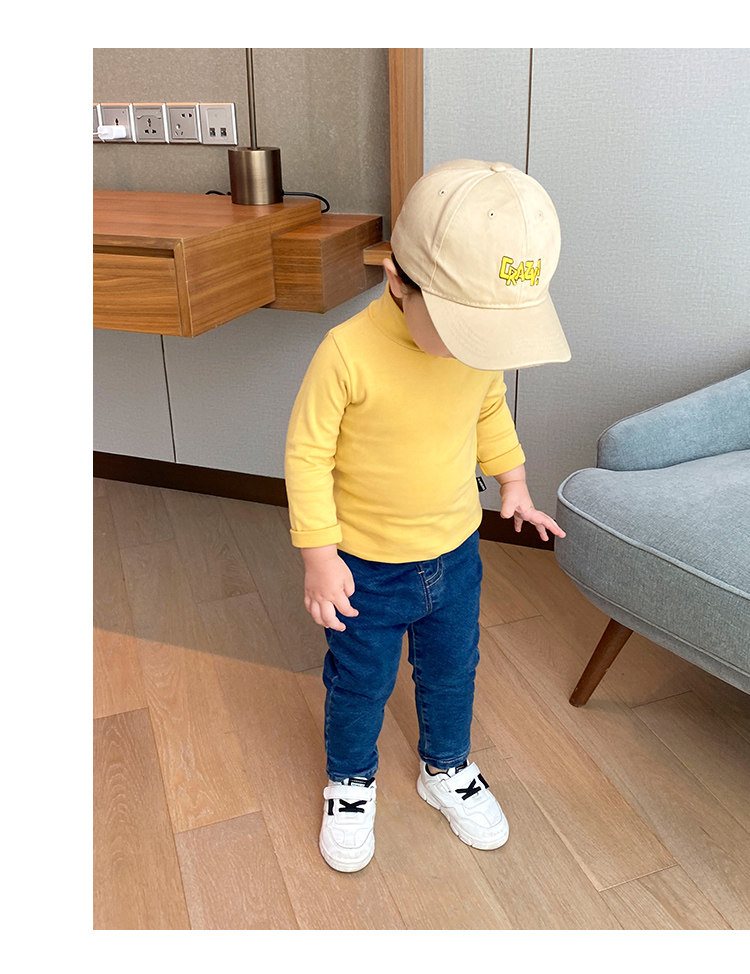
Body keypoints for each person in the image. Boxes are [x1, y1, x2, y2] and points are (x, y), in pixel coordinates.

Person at [284, 160, 571, 872]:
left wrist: (513, 481)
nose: (478, 349)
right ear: (396, 280)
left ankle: (445, 766)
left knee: (451, 671)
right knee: (361, 682)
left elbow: (487, 408)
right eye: (462, 326)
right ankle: (351, 780)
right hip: (365, 569)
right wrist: (319, 555)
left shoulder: (475, 352)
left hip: (455, 557)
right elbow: (307, 455)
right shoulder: (346, 354)